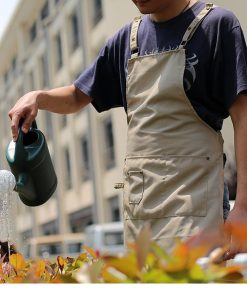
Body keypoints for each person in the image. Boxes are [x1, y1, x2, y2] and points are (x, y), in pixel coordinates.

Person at [8, 0, 247, 258]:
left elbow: (243, 117)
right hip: (141, 217)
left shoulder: (216, 25)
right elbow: (78, 96)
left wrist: (243, 206)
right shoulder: (126, 40)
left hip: (198, 208)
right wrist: (38, 97)